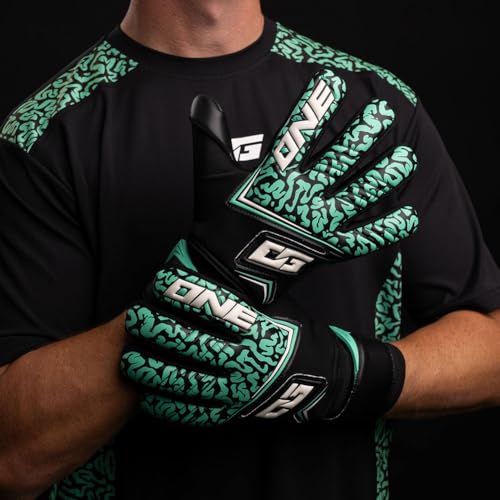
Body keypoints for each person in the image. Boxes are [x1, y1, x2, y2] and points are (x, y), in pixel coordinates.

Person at [1, 1, 500, 499]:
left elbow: (491, 347)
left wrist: (344, 374)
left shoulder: (374, 107)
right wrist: (208, 283)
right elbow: (11, 455)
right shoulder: (45, 133)